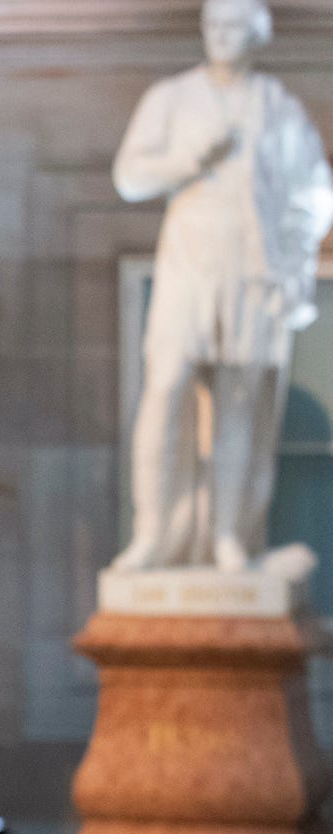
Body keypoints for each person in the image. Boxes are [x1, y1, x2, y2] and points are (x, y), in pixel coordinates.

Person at [110, 0, 333, 573]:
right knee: (165, 387)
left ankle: (231, 538)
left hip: (250, 263)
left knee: (238, 401)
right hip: (190, 252)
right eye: (213, 25)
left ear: (258, 34)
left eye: (234, 27)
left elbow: (318, 191)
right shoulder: (173, 97)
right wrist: (190, 158)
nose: (221, 36)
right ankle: (153, 533)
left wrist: (295, 242)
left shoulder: (279, 108)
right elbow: (130, 176)